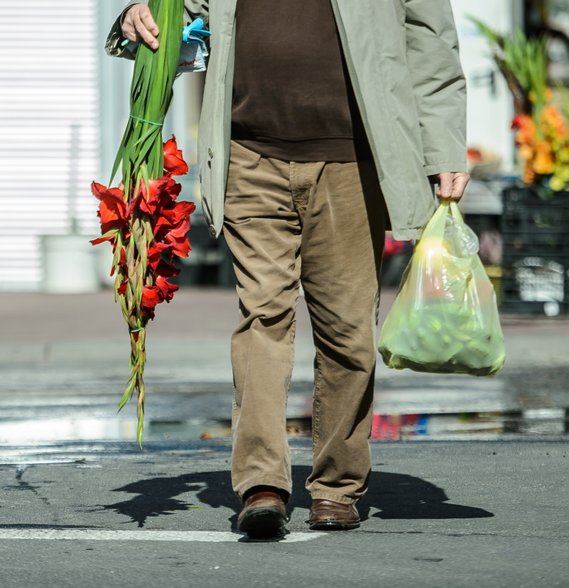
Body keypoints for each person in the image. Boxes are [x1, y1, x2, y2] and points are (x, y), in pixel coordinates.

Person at [110, 1, 470, 537]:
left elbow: (430, 38)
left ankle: (337, 485)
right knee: (263, 316)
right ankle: (262, 484)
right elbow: (179, 6)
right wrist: (133, 16)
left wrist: (443, 145)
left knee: (348, 330)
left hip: (353, 161)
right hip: (248, 155)